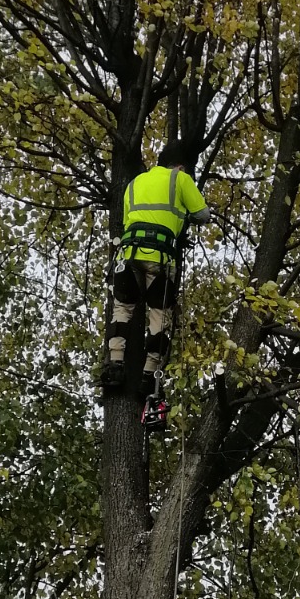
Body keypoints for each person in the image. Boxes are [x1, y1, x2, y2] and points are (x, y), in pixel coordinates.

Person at [99, 158, 209, 428]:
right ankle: (149, 376)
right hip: (160, 258)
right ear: (180, 166)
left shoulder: (134, 184)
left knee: (122, 309)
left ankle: (114, 366)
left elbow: (127, 222)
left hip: (128, 253)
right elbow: (203, 215)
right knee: (159, 314)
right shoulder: (179, 179)